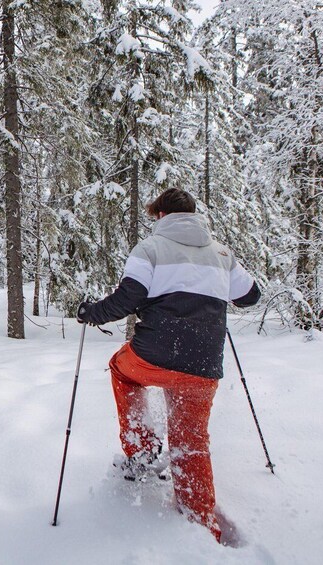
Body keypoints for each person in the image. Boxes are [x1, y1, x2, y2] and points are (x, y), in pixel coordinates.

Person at [76, 188, 260, 543]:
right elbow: (250, 296)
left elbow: (129, 298)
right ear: (194, 215)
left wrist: (91, 312)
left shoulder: (150, 249)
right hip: (202, 365)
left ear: (160, 215)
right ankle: (201, 521)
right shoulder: (222, 253)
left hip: (152, 357)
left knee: (120, 369)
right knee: (191, 440)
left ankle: (141, 449)